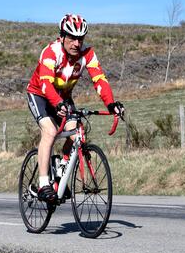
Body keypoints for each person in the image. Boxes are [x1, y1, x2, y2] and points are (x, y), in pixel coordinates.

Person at [26, 13, 125, 203]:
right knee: (50, 131)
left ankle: (61, 170)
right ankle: (44, 183)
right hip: (39, 94)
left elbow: (100, 80)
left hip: (63, 97)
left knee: (77, 133)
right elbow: (46, 84)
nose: (76, 44)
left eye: (80, 39)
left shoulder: (87, 54)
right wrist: (57, 104)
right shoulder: (50, 52)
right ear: (62, 37)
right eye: (72, 38)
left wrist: (111, 104)